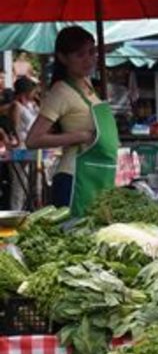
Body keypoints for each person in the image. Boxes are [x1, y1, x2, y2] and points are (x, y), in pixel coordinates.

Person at [26, 27, 119, 215]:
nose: (88, 59)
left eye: (92, 52)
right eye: (79, 55)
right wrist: (80, 135)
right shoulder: (60, 91)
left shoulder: (88, 84)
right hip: (73, 179)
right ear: (62, 58)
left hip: (98, 175)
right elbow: (33, 140)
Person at [9, 77, 39, 210]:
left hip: (32, 146)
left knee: (31, 184)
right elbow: (14, 126)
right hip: (21, 147)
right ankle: (16, 210)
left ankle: (27, 211)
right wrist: (18, 141)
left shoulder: (31, 106)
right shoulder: (16, 106)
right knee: (19, 184)